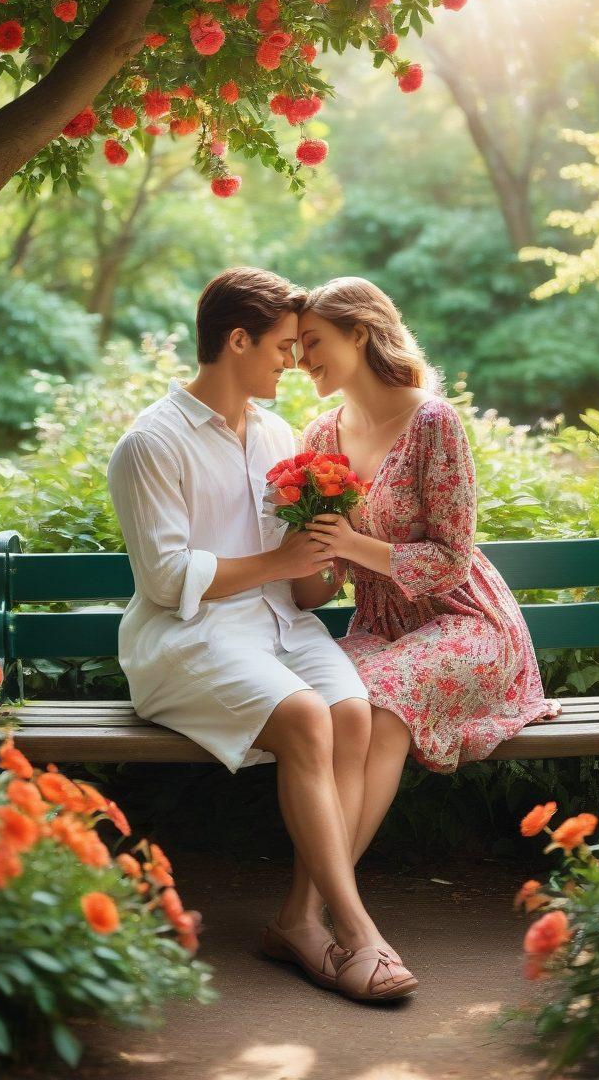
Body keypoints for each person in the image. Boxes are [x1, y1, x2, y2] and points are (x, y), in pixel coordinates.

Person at [106, 267, 419, 1002]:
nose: (294, 361)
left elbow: (298, 586)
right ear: (237, 340)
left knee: (352, 713)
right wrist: (282, 560)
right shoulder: (150, 443)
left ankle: (297, 922)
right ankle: (358, 932)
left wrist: (329, 558)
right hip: (186, 639)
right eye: (282, 346)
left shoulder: (277, 433)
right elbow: (164, 578)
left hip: (279, 623)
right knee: (310, 714)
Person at [292, 276, 563, 878]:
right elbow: (324, 580)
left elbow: (451, 558)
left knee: (384, 706)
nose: (299, 360)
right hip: (382, 627)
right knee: (334, 706)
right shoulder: (319, 438)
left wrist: (354, 543)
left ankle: (311, 906)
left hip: (467, 622)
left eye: (312, 342)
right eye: (295, 348)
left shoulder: (433, 422)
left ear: (359, 333)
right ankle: (321, 911)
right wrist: (305, 553)